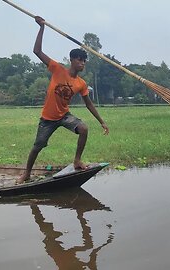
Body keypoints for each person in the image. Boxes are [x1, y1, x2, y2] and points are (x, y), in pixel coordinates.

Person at [17, 16, 109, 184]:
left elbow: (88, 104)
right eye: (80, 60)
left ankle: (77, 160)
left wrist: (102, 121)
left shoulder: (81, 83)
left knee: (83, 128)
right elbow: (37, 51)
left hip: (64, 116)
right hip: (47, 119)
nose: (82, 63)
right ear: (72, 60)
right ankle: (26, 173)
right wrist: (41, 27)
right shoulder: (57, 69)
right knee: (38, 146)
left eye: (84, 61)